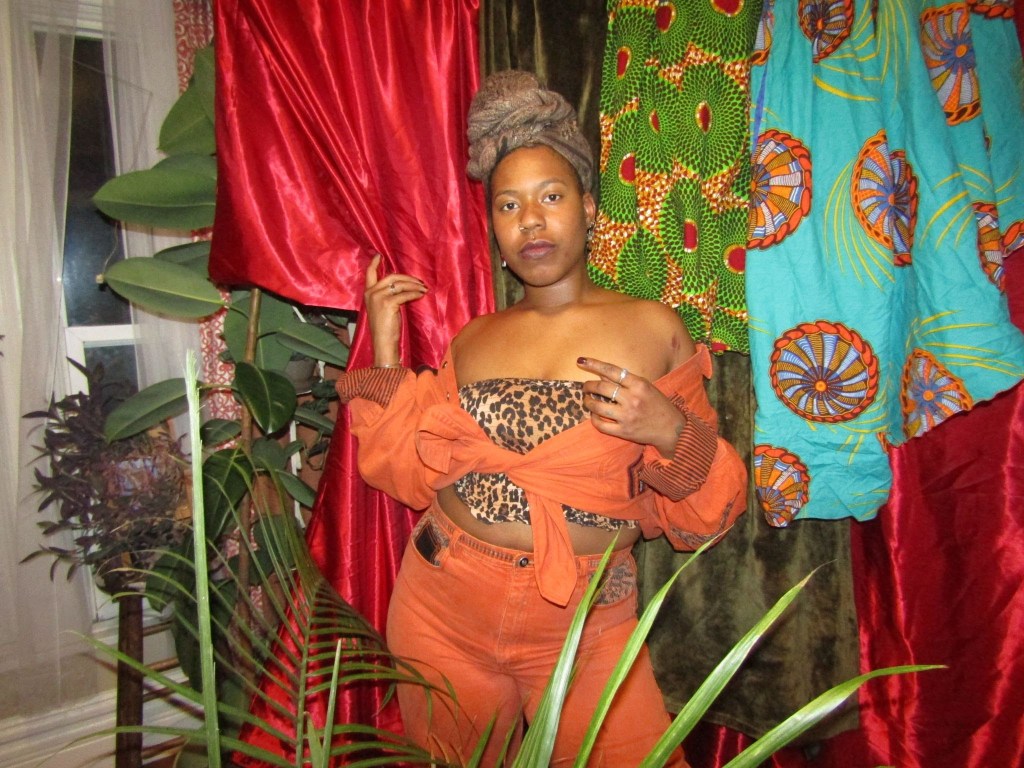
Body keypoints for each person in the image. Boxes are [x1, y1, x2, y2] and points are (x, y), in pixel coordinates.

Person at [335, 71, 746, 767]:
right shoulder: (474, 337)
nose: (531, 220)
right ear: (494, 226)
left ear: (588, 209)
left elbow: (708, 513)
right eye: (508, 205)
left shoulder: (653, 329)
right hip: (442, 604)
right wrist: (384, 346)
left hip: (587, 623)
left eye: (551, 197)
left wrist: (669, 434)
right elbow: (404, 471)